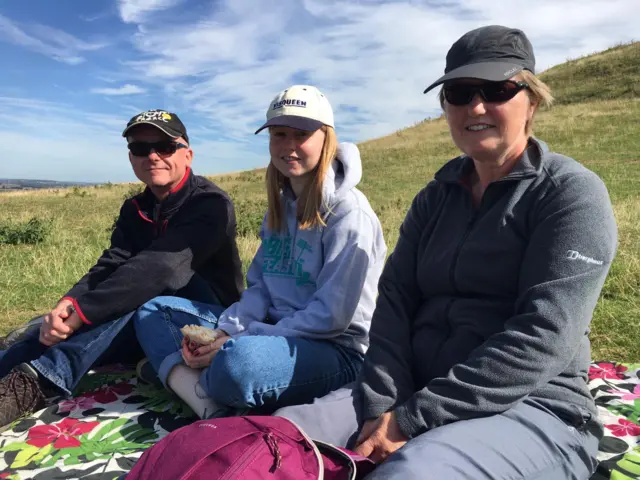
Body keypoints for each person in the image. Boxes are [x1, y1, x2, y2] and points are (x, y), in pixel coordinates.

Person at [275, 26, 618, 479]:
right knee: (276, 441)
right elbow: (395, 301)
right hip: (409, 391)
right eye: (459, 92)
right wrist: (380, 405)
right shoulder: (435, 198)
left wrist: (411, 419)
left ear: (531, 100)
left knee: (410, 474)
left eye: (497, 89)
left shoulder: (570, 195)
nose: (476, 106)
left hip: (533, 407)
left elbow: (543, 335)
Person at [134, 85, 387, 419]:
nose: (289, 146)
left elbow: (331, 318)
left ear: (327, 139)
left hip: (337, 350)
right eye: (280, 134)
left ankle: (181, 375)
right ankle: (204, 395)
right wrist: (228, 330)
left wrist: (238, 342)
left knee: (240, 364)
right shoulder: (280, 210)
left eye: (302, 134)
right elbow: (263, 288)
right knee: (155, 311)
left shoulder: (348, 214)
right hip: (272, 330)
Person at [0, 109, 244, 428]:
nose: (152, 156)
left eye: (165, 146)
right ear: (131, 157)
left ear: (188, 154)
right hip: (149, 316)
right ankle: (13, 362)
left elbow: (161, 270)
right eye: (140, 148)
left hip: (208, 318)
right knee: (43, 330)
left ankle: (35, 383)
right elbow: (114, 260)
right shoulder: (136, 208)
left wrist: (84, 312)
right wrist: (69, 303)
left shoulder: (210, 204)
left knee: (140, 291)